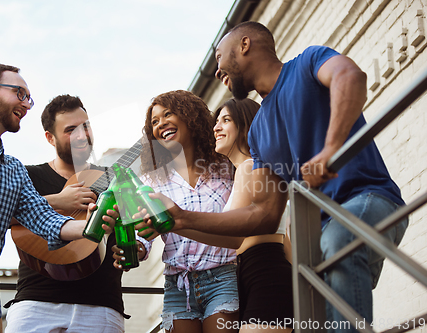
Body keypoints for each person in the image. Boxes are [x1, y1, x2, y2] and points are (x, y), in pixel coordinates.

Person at [147, 22, 409, 332]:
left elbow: (350, 76)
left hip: (367, 198)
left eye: (220, 57)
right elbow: (264, 213)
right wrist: (180, 218)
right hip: (317, 235)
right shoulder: (259, 131)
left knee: (338, 242)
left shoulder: (308, 63)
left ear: (244, 45)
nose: (217, 70)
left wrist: (330, 149)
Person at [0, 64, 116, 333]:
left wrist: (92, 225)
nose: (26, 104)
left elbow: (45, 219)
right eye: (20, 93)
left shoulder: (13, 170)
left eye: (29, 98)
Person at [113, 90, 239, 333]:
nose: (161, 124)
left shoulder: (226, 166)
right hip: (177, 285)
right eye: (154, 122)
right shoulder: (152, 181)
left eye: (168, 114)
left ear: (190, 117)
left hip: (223, 278)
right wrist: (136, 249)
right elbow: (143, 231)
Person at [166, 98, 293, 332]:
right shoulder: (250, 171)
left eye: (226, 120)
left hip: (263, 270)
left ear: (246, 126)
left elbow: (232, 237)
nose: (216, 127)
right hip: (259, 270)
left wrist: (174, 222)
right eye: (216, 121)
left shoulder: (248, 167)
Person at [4, 94, 127, 332]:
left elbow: (136, 230)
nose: (82, 136)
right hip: (35, 302)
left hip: (101, 304)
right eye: (71, 130)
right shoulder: (28, 175)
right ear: (50, 137)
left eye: (86, 126)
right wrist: (58, 201)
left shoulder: (115, 178)